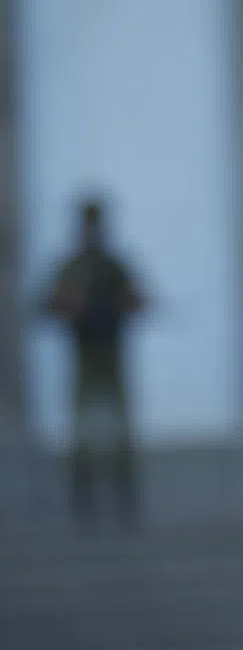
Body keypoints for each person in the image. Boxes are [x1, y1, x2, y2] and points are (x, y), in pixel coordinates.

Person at [44, 198, 144, 531]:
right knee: (82, 434)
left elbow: (134, 299)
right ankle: (82, 503)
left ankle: (125, 500)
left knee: (120, 432)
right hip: (85, 355)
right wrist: (71, 305)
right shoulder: (73, 267)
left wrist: (125, 304)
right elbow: (50, 305)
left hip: (111, 355)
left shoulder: (113, 265)